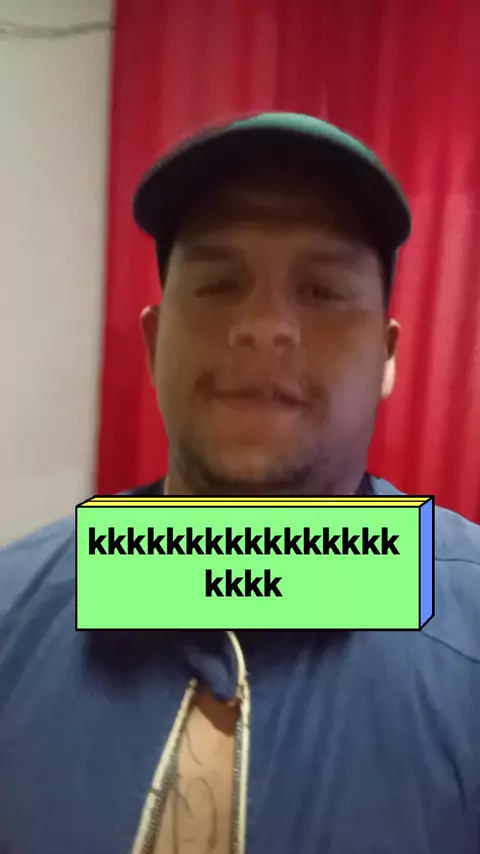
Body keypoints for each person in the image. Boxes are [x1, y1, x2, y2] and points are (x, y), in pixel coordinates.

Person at [1, 112, 479, 854]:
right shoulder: (12, 610)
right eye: (219, 284)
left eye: (322, 290)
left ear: (387, 358)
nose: (263, 325)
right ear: (154, 343)